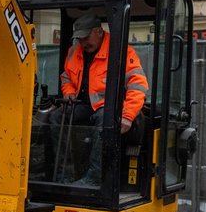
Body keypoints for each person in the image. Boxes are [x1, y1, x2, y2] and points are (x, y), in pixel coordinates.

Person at [50, 11, 148, 185]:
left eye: (86, 37)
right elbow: (66, 76)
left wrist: (127, 116)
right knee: (57, 117)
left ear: (99, 31)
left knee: (104, 119)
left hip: (109, 107)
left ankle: (94, 179)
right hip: (83, 104)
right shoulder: (75, 51)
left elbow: (137, 86)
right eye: (79, 39)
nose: (83, 43)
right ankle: (65, 175)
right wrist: (68, 92)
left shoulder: (121, 51)